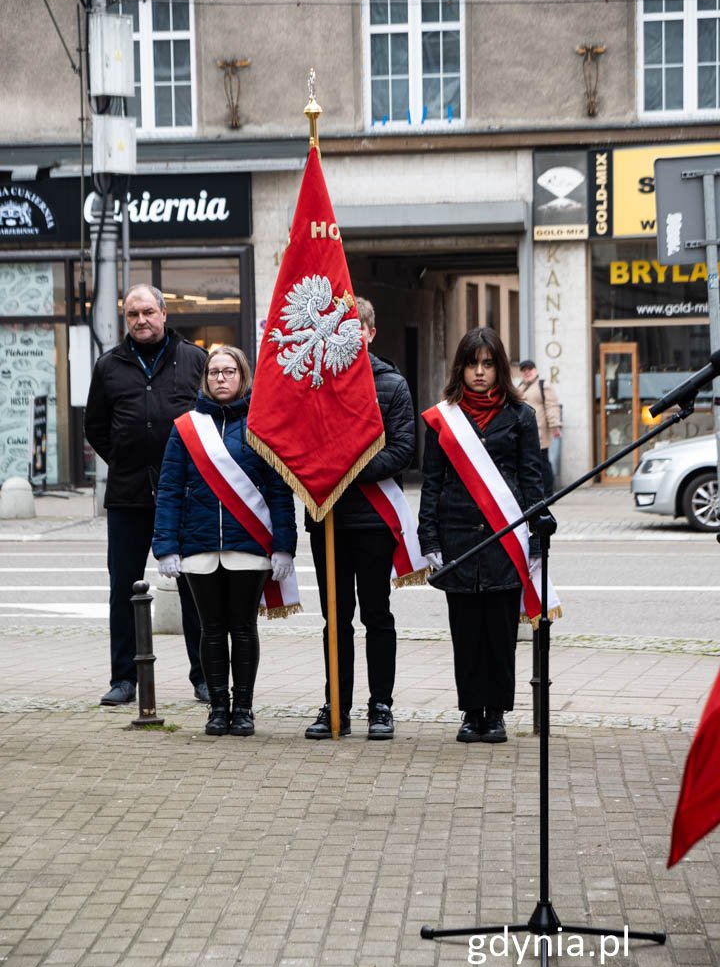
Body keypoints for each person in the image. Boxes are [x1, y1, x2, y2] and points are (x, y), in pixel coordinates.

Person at [152, 346, 297, 737]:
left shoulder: (261, 426)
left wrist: (284, 544)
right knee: (210, 630)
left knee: (244, 628)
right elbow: (168, 489)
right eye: (214, 372)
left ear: (242, 376)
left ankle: (244, 708)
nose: (220, 378)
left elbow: (279, 489)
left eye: (229, 371)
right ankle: (218, 708)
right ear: (205, 378)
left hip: (248, 547)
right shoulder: (186, 428)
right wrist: (165, 545)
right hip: (199, 548)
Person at [418, 326, 545, 744]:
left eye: (488, 364)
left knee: (500, 633)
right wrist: (430, 540)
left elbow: (531, 480)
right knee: (467, 634)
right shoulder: (443, 419)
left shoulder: (521, 416)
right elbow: (431, 484)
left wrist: (538, 533)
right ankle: (471, 713)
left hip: (504, 539)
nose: (479, 372)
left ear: (500, 368)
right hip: (457, 537)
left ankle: (497, 714)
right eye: (472, 363)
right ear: (461, 367)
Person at [85, 284, 207, 707]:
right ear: (126, 318)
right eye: (132, 314)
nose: (141, 320)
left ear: (164, 312)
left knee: (196, 586)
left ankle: (205, 677)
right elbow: (95, 427)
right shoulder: (109, 366)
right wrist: (123, 458)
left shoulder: (194, 360)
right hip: (128, 495)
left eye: (148, 312)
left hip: (186, 495)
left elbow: (211, 419)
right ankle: (124, 679)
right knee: (124, 588)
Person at [305, 296, 415, 741]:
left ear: (370, 333)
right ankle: (337, 704)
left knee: (376, 615)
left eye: (358, 329)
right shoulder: (313, 382)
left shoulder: (392, 385)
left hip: (372, 520)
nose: (350, 336)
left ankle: (380, 706)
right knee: (335, 619)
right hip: (327, 517)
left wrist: (346, 470)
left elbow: (403, 450)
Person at [518, 359, 562, 496]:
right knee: (529, 462)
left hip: (540, 430)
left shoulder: (543, 385)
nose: (527, 372)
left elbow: (551, 406)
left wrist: (555, 426)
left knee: (543, 462)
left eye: (529, 369)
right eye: (524, 370)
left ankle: (549, 493)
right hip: (523, 432)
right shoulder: (520, 387)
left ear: (535, 370)